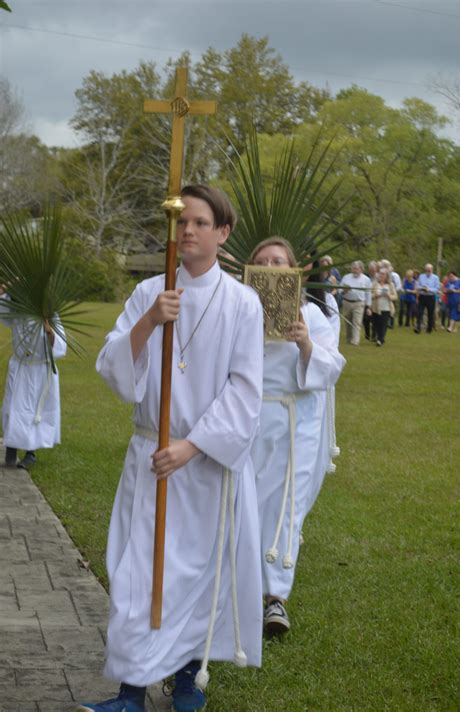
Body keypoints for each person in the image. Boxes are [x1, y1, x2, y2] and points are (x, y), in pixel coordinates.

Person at [78, 185, 264, 712]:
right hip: (150, 460)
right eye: (182, 221)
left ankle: (186, 679)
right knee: (139, 573)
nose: (187, 231)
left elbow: (245, 391)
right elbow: (113, 369)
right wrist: (149, 321)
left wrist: (192, 446)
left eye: (200, 222)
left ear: (223, 233)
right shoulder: (148, 294)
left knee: (195, 576)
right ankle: (130, 693)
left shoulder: (241, 304)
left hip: (203, 466)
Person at [248, 237, 345, 635]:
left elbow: (332, 367)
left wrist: (305, 341)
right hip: (250, 417)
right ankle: (241, 585)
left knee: (287, 504)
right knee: (248, 501)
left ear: (294, 269)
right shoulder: (239, 311)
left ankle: (277, 600)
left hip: (295, 420)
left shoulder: (313, 315)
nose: (271, 266)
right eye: (263, 261)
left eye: (279, 261)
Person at [0, 289, 66, 469]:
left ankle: (31, 453)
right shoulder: (16, 312)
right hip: (20, 366)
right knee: (12, 407)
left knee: (35, 412)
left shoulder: (48, 314)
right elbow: (2, 312)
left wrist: (50, 332)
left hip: (39, 369)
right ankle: (12, 446)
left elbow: (61, 346)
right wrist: (5, 290)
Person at [340, 261, 372, 345]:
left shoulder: (366, 279)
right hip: (347, 302)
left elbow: (368, 293)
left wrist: (368, 306)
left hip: (359, 303)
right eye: (353, 268)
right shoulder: (346, 277)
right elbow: (339, 290)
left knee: (357, 322)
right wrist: (344, 290)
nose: (354, 270)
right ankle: (349, 338)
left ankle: (355, 341)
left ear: (361, 269)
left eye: (356, 269)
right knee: (348, 322)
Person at [371, 268, 397, 346]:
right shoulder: (375, 284)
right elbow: (370, 295)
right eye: (380, 274)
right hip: (376, 308)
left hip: (387, 307)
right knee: (377, 324)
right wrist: (376, 295)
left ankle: (380, 340)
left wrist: (389, 296)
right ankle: (380, 337)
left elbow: (395, 296)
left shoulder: (390, 285)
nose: (381, 275)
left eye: (383, 274)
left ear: (386, 276)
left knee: (384, 324)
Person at [415, 263, 440, 334]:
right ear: (425, 269)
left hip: (430, 297)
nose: (428, 271)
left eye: (430, 269)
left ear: (432, 270)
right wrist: (422, 288)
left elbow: (437, 288)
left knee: (430, 313)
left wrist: (429, 289)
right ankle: (418, 327)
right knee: (419, 312)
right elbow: (417, 286)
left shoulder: (435, 277)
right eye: (427, 269)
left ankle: (429, 329)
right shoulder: (421, 276)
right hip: (422, 296)